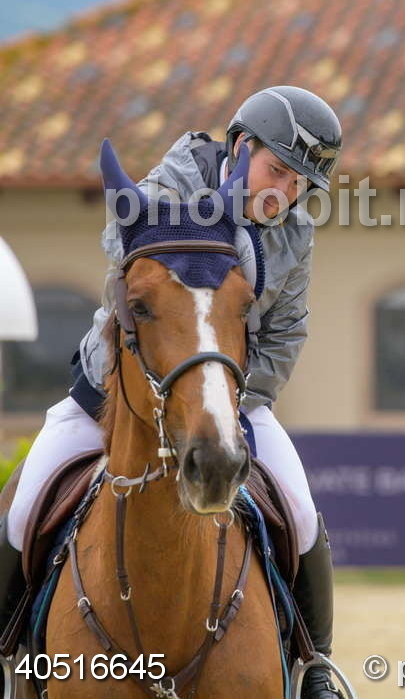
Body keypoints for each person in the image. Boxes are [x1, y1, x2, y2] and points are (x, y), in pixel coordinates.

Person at [0, 85, 345, 698]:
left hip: (231, 400)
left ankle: (315, 667)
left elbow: (287, 331)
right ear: (241, 145)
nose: (286, 193)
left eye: (300, 184)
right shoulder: (174, 180)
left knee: (300, 511)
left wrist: (224, 398)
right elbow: (123, 247)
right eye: (277, 170)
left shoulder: (295, 231)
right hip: (112, 392)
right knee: (25, 506)